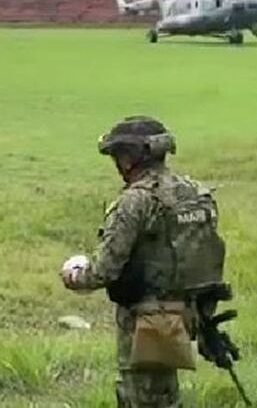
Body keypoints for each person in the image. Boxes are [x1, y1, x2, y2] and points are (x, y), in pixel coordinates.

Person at [61, 116, 229, 408]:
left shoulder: (134, 202)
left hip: (146, 322)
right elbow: (206, 258)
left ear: (128, 159)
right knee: (162, 394)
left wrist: (75, 276)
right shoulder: (195, 192)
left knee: (142, 397)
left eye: (118, 155)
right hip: (187, 315)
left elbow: (105, 269)